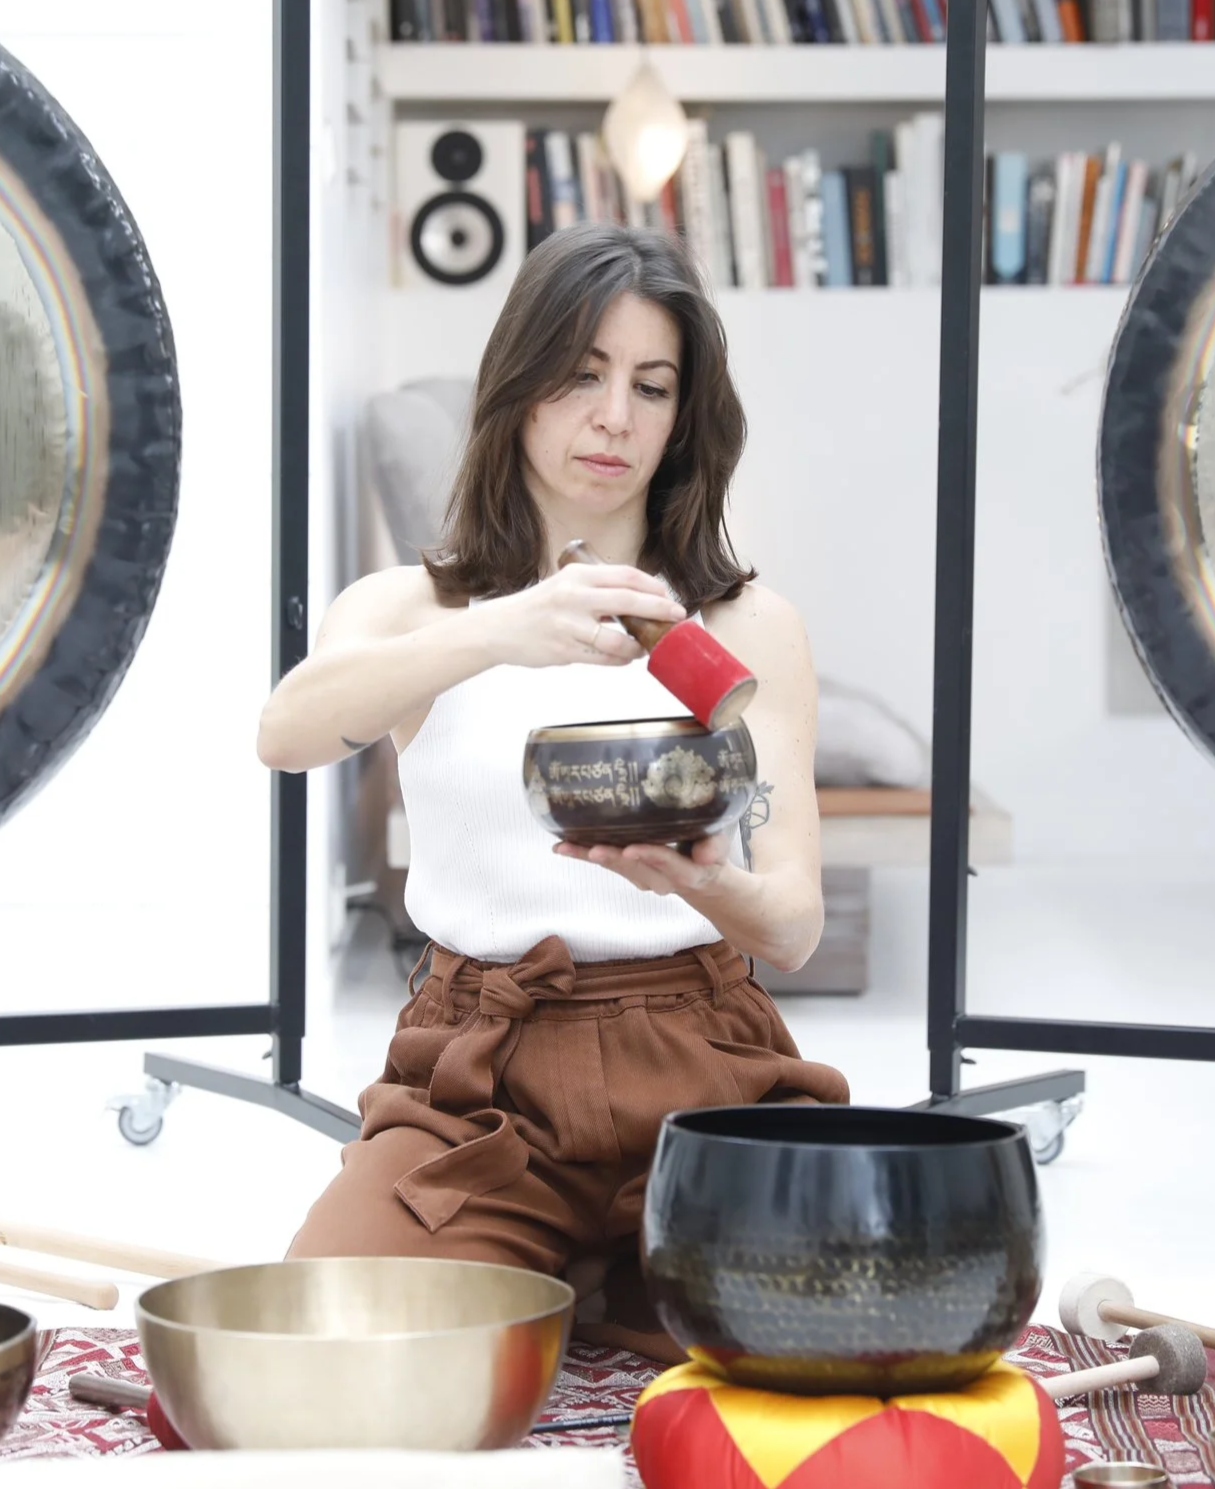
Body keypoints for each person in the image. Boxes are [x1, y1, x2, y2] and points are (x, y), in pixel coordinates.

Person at [256, 221, 847, 1361]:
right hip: (478, 1077)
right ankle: (563, 1263)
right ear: (517, 386)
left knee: (839, 1344)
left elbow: (797, 924)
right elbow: (286, 735)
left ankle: (603, 1274)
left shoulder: (745, 627)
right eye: (580, 375)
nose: (613, 417)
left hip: (702, 1061)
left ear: (685, 417)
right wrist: (497, 630)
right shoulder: (412, 612)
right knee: (324, 1354)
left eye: (651, 385)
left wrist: (707, 881)